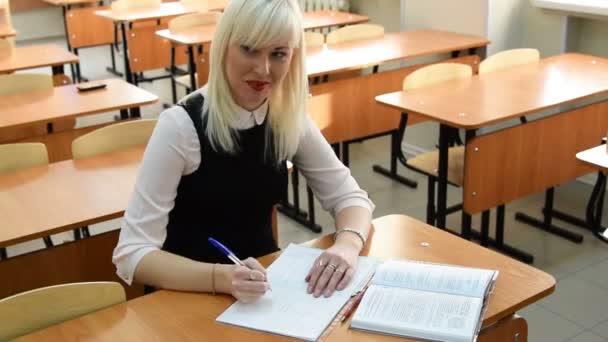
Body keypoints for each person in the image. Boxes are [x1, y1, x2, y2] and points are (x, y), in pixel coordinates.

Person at [112, 0, 374, 303]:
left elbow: (350, 197)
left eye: (278, 54)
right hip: (187, 293)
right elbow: (132, 254)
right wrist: (220, 277)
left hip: (261, 288)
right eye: (249, 49)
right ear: (224, 47)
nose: (263, 69)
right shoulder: (181, 126)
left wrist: (347, 245)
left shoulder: (286, 115)